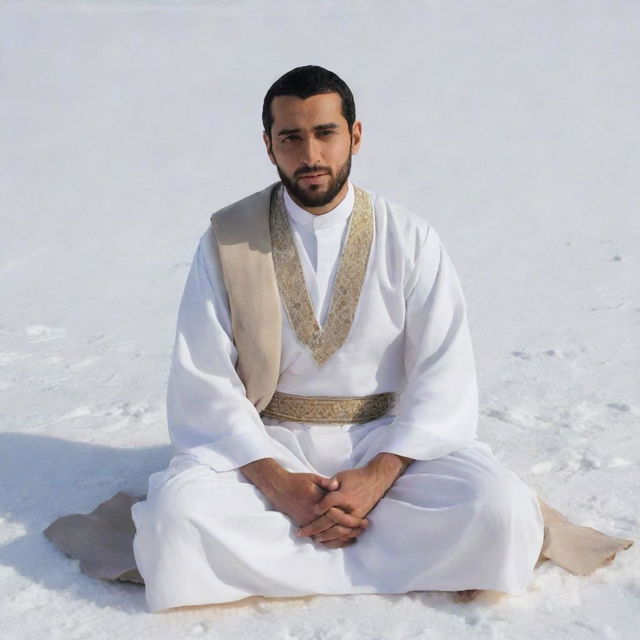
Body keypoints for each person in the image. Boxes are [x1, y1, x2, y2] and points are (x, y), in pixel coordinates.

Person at [130, 65, 545, 612]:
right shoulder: (228, 240)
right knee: (174, 521)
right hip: (265, 443)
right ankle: (414, 555)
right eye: (291, 138)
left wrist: (376, 476)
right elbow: (203, 377)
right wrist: (280, 484)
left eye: (325, 133)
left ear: (354, 134)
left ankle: (292, 554)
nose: (311, 155)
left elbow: (444, 375)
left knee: (503, 509)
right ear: (268, 145)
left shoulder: (410, 237)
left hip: (389, 444)